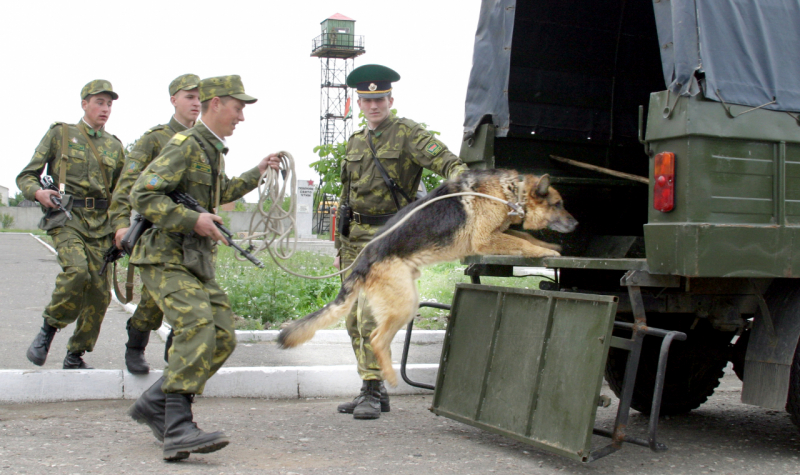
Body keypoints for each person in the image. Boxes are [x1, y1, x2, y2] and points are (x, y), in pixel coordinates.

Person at [125, 75, 282, 461]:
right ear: (215, 104)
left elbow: (219, 192)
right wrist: (191, 220)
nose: (241, 116)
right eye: (238, 107)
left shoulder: (212, 150)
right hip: (165, 255)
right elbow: (142, 194)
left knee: (224, 334)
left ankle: (156, 402)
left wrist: (258, 170)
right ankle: (178, 425)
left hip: (193, 260)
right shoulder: (185, 144)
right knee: (196, 323)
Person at [335, 64, 468, 419]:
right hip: (354, 242)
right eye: (367, 100)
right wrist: (339, 247)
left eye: (379, 99)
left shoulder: (408, 133)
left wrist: (457, 190)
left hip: (390, 240)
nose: (374, 105)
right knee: (350, 319)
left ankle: (370, 389)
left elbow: (450, 164)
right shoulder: (355, 142)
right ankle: (375, 390)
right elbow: (345, 199)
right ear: (359, 103)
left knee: (369, 318)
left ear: (390, 99)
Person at [18, 80, 126, 370]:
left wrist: (121, 229)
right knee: (77, 272)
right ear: (84, 104)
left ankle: (75, 354)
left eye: (109, 104)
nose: (105, 109)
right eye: (100, 102)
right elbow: (26, 176)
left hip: (101, 226)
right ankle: (48, 330)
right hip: (67, 219)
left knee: (100, 294)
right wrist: (38, 193)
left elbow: (121, 195)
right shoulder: (61, 134)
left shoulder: (115, 146)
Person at [108, 73, 201, 374]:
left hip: (194, 234)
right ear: (174, 99)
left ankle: (177, 353)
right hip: (158, 233)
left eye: (200, 97)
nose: (196, 103)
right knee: (152, 302)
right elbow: (126, 186)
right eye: (189, 96)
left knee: (195, 298)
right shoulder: (155, 139)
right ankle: (135, 346)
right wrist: (121, 225)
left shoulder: (206, 141)